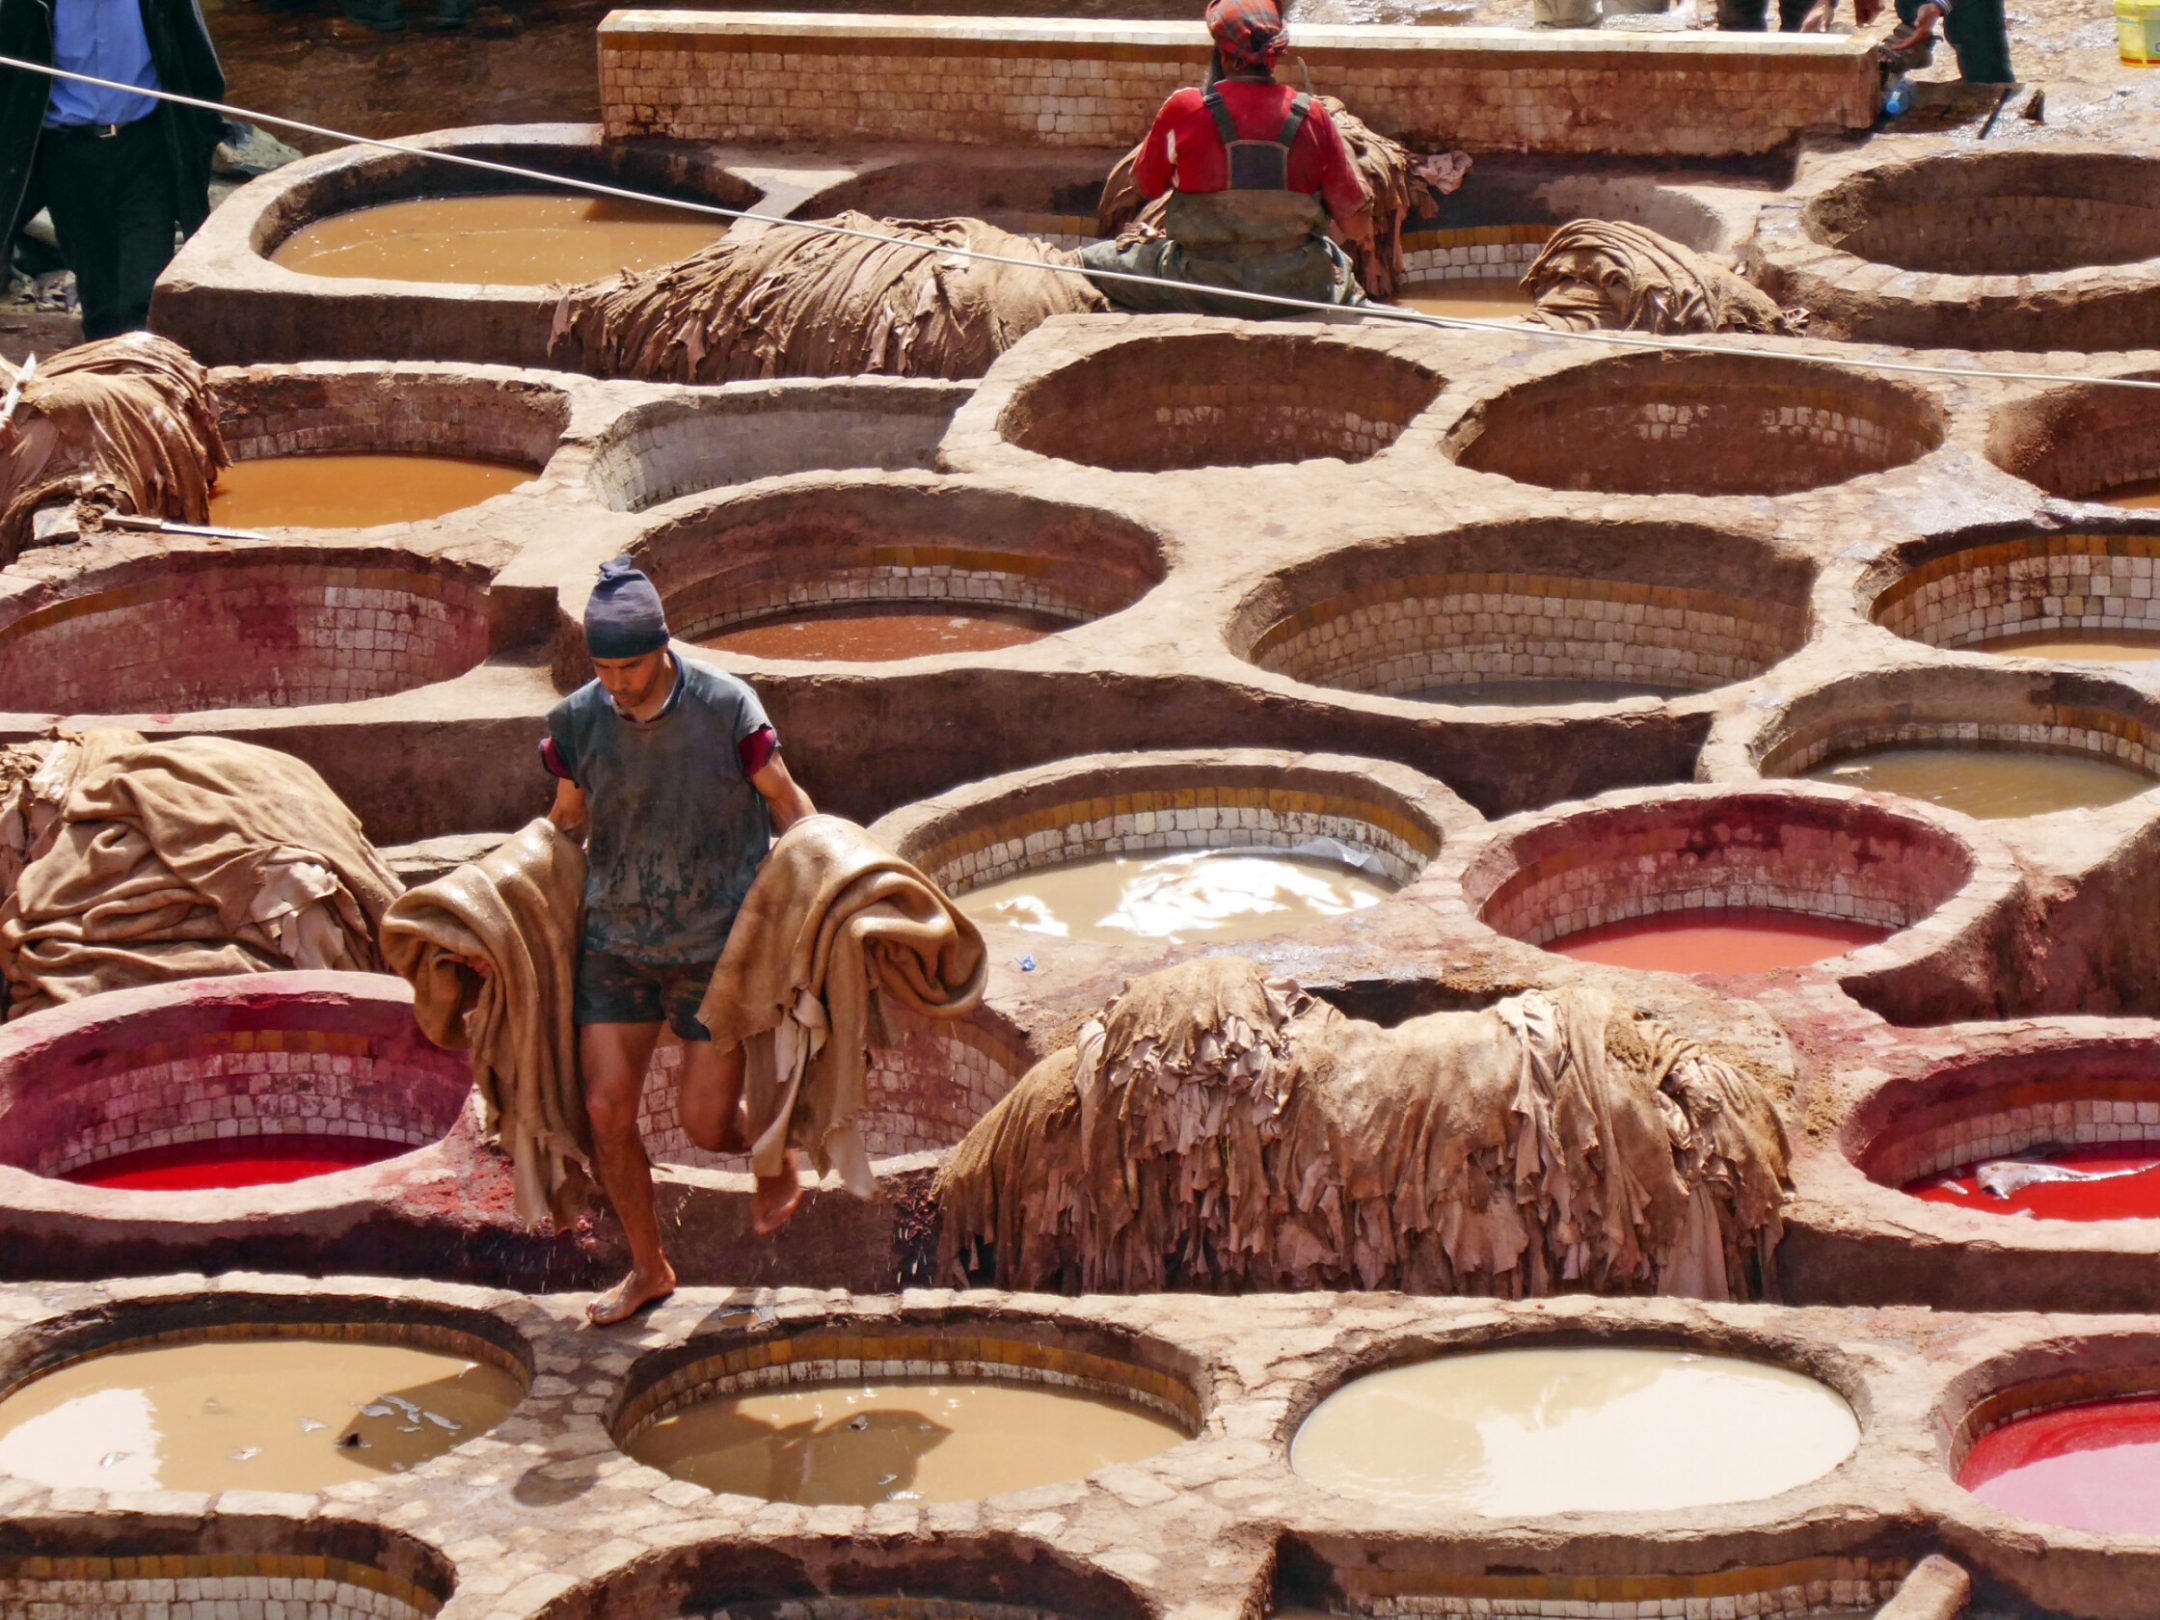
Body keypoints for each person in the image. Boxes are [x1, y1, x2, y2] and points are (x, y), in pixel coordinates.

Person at [541, 558, 818, 1325]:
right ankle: (649, 1268)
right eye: (603, 668)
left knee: (703, 1123)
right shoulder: (577, 722)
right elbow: (566, 820)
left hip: (715, 946)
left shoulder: (727, 708)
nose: (618, 684)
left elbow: (790, 805)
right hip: (617, 939)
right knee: (604, 1109)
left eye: (629, 666)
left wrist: (829, 880)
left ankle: (770, 1151)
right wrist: (508, 899)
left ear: (663, 647)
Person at [1079, 0, 1370, 318]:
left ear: (1223, 53)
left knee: (1093, 262)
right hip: (1300, 287)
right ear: (1273, 56)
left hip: (1201, 286)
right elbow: (1356, 226)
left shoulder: (1185, 109)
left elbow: (1147, 187)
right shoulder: (1313, 116)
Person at [0, 0, 226, 339]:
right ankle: (102, 374)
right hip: (66, 157)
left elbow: (202, 71)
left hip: (146, 150)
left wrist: (198, 144)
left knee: (144, 288)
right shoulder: (32, 5)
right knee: (98, 291)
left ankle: (143, 372)